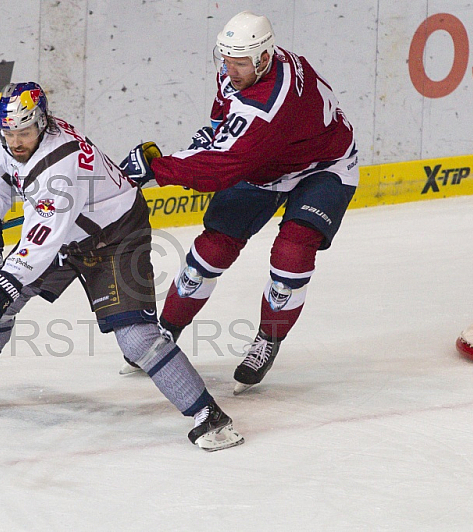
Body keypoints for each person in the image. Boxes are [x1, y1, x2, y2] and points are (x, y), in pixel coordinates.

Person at [0, 82, 243, 451]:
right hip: (64, 230)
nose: (15, 142)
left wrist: (2, 283)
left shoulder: (58, 164)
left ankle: (209, 415)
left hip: (114, 236)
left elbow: (39, 243)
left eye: (25, 132)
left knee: (137, 338)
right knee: (0, 304)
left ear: (43, 123)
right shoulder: (3, 137)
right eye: (9, 132)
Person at [120, 11, 359, 394]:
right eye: (226, 58)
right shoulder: (245, 67)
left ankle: (269, 338)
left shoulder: (271, 103)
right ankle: (166, 331)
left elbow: (222, 168)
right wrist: (186, 152)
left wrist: (157, 169)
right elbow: (223, 127)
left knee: (292, 253)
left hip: (323, 167)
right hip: (267, 162)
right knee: (210, 252)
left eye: (240, 62)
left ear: (265, 57)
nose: (231, 69)